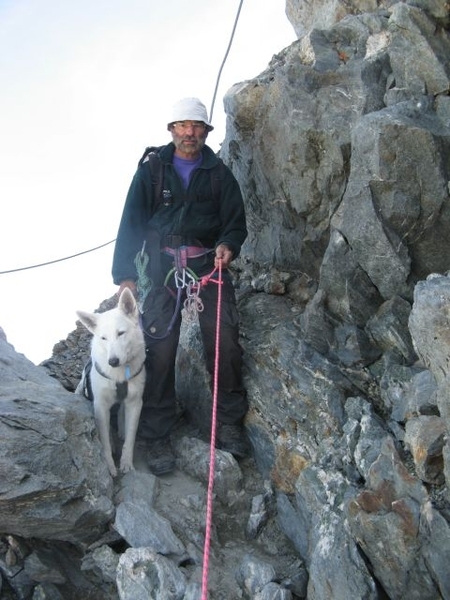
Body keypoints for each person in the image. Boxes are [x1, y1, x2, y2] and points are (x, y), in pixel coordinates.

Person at [112, 97, 249, 475]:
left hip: (207, 264)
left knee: (223, 339)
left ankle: (228, 424)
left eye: (197, 126)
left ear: (206, 131)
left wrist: (227, 245)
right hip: (160, 269)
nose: (190, 132)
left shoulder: (219, 174)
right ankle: (156, 435)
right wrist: (125, 275)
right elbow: (132, 222)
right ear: (171, 129)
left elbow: (235, 222)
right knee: (158, 347)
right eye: (183, 125)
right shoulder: (152, 171)